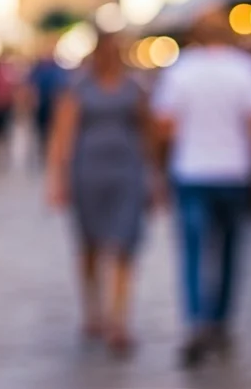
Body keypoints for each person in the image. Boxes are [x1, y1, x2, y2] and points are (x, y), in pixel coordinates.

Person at [151, 6, 251, 367]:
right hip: (233, 173)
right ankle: (221, 320)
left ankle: (197, 321)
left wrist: (158, 171)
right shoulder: (246, 70)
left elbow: (163, 128)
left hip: (191, 172)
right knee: (228, 249)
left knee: (193, 251)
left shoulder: (180, 71)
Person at [47, 32, 157, 357]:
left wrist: (155, 176)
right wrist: (58, 177)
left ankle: (119, 318)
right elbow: (63, 133)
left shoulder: (134, 88)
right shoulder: (79, 88)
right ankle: (93, 310)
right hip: (88, 174)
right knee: (90, 244)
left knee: (124, 243)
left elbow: (147, 131)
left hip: (127, 173)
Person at [27, 40, 68, 166]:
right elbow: (30, 86)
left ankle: (49, 151)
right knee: (40, 130)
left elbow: (64, 88)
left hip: (54, 106)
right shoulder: (37, 68)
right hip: (40, 105)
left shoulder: (58, 68)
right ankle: (42, 150)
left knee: (51, 130)